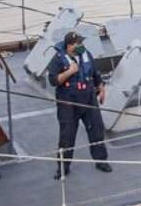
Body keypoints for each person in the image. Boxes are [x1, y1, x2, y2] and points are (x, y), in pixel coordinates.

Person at [47, 30, 111, 177]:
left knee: (96, 129)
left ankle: (101, 160)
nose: (81, 45)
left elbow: (95, 73)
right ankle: (63, 167)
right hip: (68, 101)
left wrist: (101, 88)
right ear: (69, 46)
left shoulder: (86, 54)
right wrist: (70, 72)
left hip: (88, 97)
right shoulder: (58, 59)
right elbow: (53, 80)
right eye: (78, 44)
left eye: (81, 43)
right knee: (67, 135)